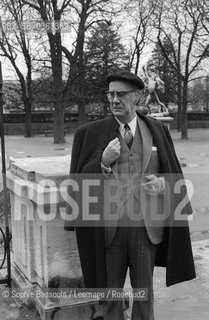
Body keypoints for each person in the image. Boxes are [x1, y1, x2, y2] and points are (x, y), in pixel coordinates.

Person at [65, 70, 196, 320]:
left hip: (145, 228)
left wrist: (161, 186)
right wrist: (102, 163)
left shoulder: (158, 130)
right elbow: (78, 182)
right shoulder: (89, 134)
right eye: (111, 94)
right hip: (109, 228)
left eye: (121, 94)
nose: (114, 99)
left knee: (143, 293)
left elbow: (172, 175)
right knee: (111, 294)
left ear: (136, 97)